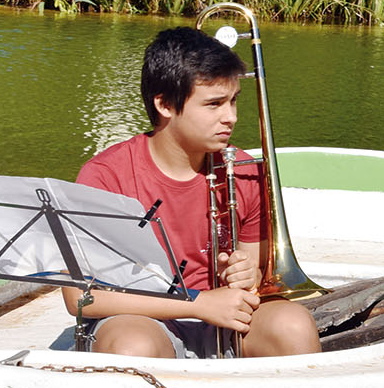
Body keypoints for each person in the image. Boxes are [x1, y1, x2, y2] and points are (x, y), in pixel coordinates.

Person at [63, 27, 322, 359]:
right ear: (165, 104)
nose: (231, 117)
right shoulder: (105, 176)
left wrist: (248, 274)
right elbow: (80, 298)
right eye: (214, 104)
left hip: (225, 316)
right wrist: (198, 304)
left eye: (233, 101)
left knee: (294, 325)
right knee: (133, 346)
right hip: (144, 317)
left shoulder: (244, 169)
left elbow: (257, 274)